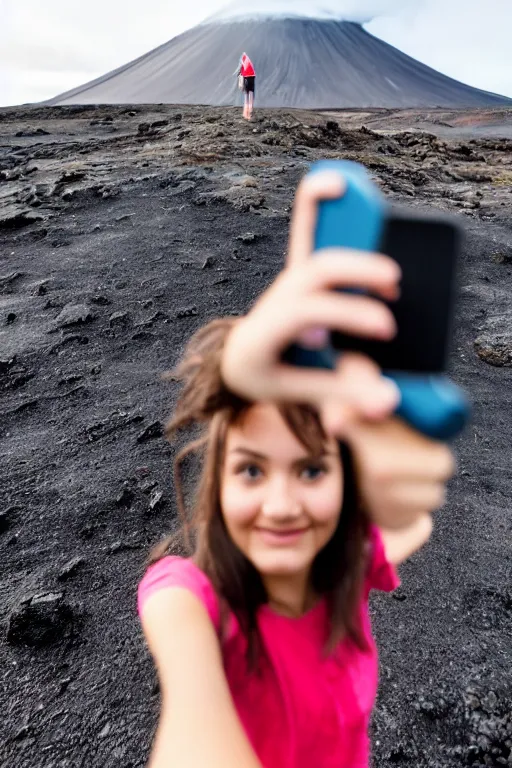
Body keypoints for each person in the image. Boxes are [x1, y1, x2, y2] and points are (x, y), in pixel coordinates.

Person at [137, 170, 456, 768]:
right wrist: (235, 366)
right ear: (217, 483)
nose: (281, 505)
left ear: (345, 481)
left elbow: (413, 526)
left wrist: (389, 475)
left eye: (310, 472)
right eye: (252, 471)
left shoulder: (347, 569)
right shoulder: (186, 598)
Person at [236, 52, 256, 120]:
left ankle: (246, 113)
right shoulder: (249, 62)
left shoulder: (243, 61)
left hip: (247, 77)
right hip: (252, 77)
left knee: (246, 94)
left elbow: (241, 71)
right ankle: (250, 112)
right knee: (251, 93)